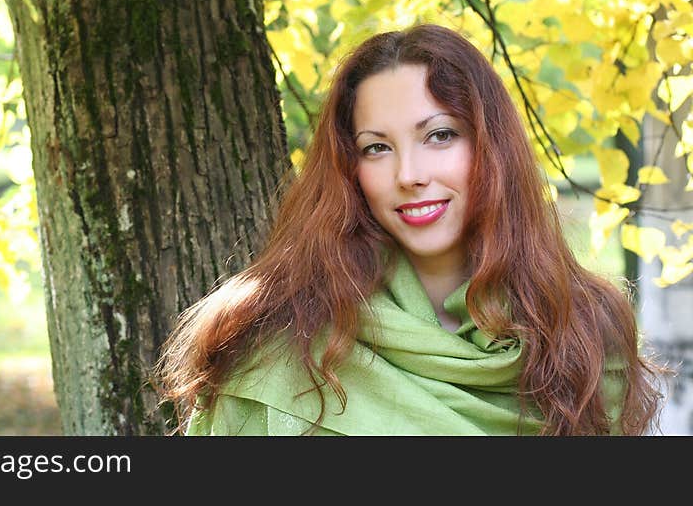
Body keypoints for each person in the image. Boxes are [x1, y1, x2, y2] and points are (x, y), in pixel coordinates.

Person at [153, 23, 664, 435]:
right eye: (377, 147)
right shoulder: (278, 341)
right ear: (349, 168)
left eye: (439, 136)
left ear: (492, 148)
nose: (410, 175)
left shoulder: (583, 332)